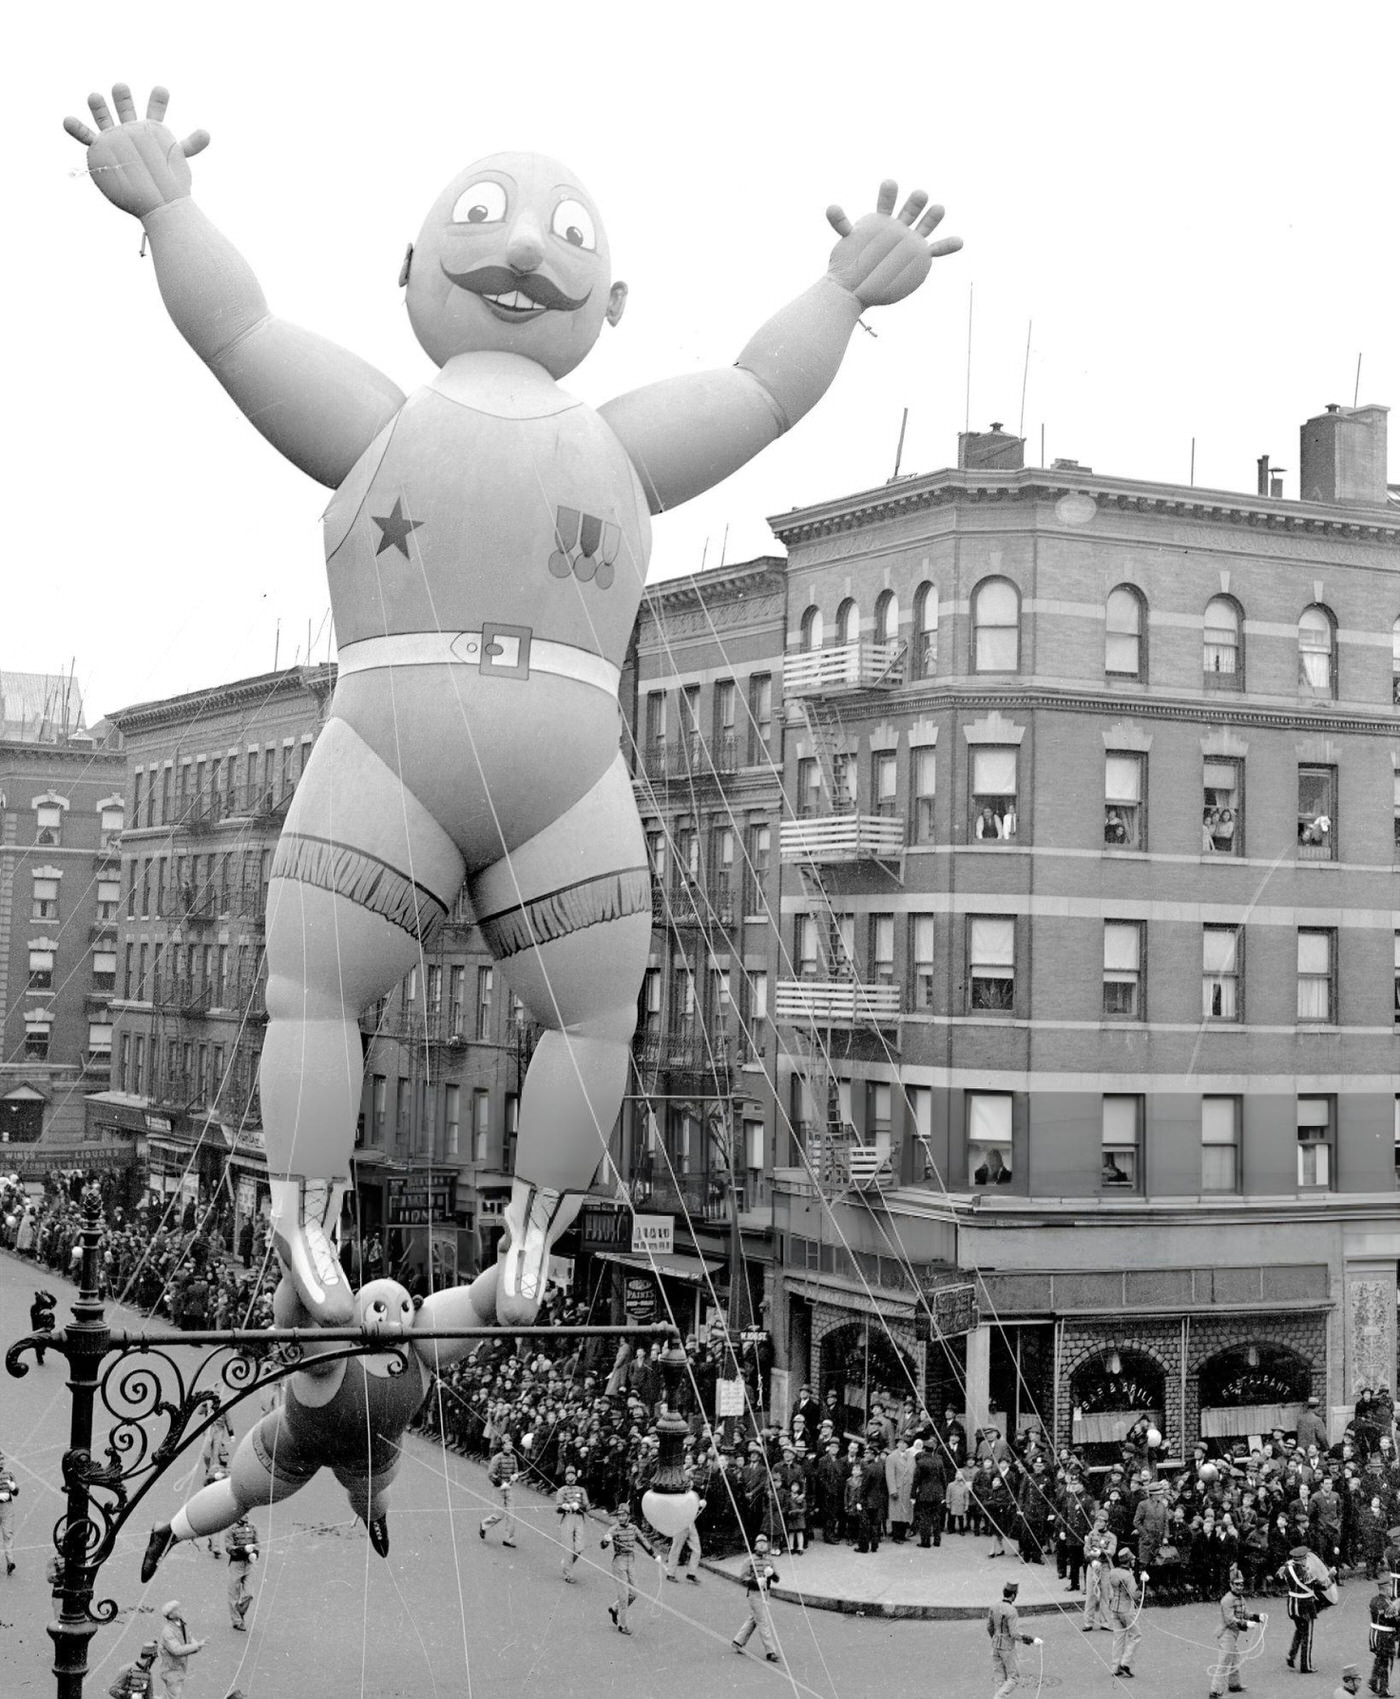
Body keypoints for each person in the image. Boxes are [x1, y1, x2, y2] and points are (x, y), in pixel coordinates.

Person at [63, 85, 961, 1334]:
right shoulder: (394, 421)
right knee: (322, 989)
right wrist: (168, 209)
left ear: (616, 304)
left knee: (584, 1010)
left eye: (563, 235)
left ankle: (530, 1233)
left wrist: (839, 295)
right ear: (413, 267)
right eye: (488, 222)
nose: (528, 250)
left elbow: (762, 388)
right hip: (405, 751)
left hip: (524, 768)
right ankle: (311, 1215)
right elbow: (242, 330)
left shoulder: (609, 441)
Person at [141, 1278, 503, 1576]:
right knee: (241, 1494)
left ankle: (376, 1519)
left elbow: (477, 1305)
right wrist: (298, 1268)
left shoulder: (421, 1348)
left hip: (370, 1455)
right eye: (380, 1310)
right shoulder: (336, 1341)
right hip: (295, 1443)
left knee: (371, 1495)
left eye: (402, 1311)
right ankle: (169, 1532)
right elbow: (294, 1320)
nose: (390, 1323)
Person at [600, 1501, 658, 1636]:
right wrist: (606, 1540)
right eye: (619, 1515)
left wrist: (654, 1555)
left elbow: (644, 1541)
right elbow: (602, 1545)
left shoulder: (633, 1528)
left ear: (628, 1516)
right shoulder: (614, 1529)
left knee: (634, 1593)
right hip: (619, 1561)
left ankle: (615, 1608)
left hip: (630, 1560)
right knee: (624, 1595)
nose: (620, 1518)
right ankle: (622, 1624)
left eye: (623, 1515)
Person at [1211, 1563, 1264, 1697]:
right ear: (1231, 1585)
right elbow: (1230, 1621)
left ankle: (1234, 1684)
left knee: (1235, 1658)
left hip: (1233, 1633)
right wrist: (1246, 1625)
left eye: (1241, 1584)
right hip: (1226, 1633)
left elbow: (1245, 1612)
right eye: (1237, 1584)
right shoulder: (1226, 1600)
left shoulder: (1240, 1598)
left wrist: (1257, 1617)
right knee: (1224, 1661)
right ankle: (1215, 1691)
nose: (1240, 1587)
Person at [1282, 1543, 1333, 1674]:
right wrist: (1330, 1576)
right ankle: (1306, 1665)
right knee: (1307, 1636)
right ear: (1303, 1559)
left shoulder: (1287, 1569)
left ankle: (1291, 1655)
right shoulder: (1305, 1573)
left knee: (1300, 1630)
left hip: (1292, 1605)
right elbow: (1323, 1586)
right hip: (1305, 1605)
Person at [732, 1532, 782, 1663]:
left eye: (764, 1543)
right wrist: (755, 1581)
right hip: (754, 1593)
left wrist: (771, 1574)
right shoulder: (749, 1560)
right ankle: (770, 1651)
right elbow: (742, 1578)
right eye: (759, 1543)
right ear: (755, 1545)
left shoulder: (770, 1560)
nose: (762, 1546)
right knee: (763, 1621)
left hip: (766, 1593)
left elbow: (777, 1579)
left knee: (754, 1618)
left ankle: (738, 1641)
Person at [987, 1581, 1042, 1699]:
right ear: (1013, 1595)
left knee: (999, 1678)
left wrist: (995, 1638)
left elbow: (989, 1627)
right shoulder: (1011, 1610)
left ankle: (999, 1697)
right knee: (1013, 1677)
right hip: (1007, 1647)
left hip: (995, 1645)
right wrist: (1032, 1640)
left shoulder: (994, 1606)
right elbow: (1014, 1634)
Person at [157, 1601, 206, 1699]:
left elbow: (188, 1638)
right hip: (171, 1670)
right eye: (176, 1609)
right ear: (170, 1615)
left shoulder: (181, 1625)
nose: (180, 1610)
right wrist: (196, 1646)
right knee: (175, 1695)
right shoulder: (168, 1632)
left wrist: (197, 1645)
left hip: (178, 1669)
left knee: (169, 1695)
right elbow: (177, 1650)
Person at [481, 1435, 521, 1547]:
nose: (509, 1447)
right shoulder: (497, 1458)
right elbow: (490, 1474)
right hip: (498, 1488)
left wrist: (515, 1476)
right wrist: (500, 1482)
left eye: (511, 1445)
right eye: (507, 1444)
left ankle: (508, 1539)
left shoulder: (513, 1458)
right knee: (499, 1514)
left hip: (509, 1488)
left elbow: (516, 1471)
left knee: (512, 1515)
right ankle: (484, 1525)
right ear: (502, 1446)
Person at [1106, 1551, 1141, 1679]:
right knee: (1136, 1635)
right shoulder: (1128, 1575)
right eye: (1131, 1559)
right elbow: (1134, 1595)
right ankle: (1125, 1663)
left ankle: (1115, 1667)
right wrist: (1142, 1585)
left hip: (1114, 1608)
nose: (1133, 1561)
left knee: (1118, 1638)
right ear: (1127, 1561)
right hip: (1126, 1609)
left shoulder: (1113, 1572)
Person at [554, 1464, 591, 1582]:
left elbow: (588, 1507)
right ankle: (568, 1574)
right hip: (567, 1518)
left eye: (572, 1475)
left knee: (579, 1548)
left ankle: (567, 1563)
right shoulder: (561, 1490)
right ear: (565, 1477)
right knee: (569, 1548)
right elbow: (558, 1508)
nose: (570, 1477)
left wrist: (579, 1506)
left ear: (576, 1476)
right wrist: (564, 1507)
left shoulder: (581, 1490)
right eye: (568, 1475)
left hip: (579, 1519)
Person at [223, 1515, 258, 1631]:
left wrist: (255, 1553)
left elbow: (257, 1543)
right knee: (234, 1593)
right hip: (236, 1563)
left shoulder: (253, 1527)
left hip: (249, 1563)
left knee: (249, 1593)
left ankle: (239, 1610)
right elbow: (228, 1548)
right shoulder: (231, 1529)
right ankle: (237, 1621)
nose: (247, 1516)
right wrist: (243, 1549)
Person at [1369, 1581, 1399, 1697]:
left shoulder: (1374, 1600)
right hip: (1386, 1636)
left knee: (1379, 1659)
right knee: (1387, 1662)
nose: (1391, 1588)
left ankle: (1374, 1682)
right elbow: (1394, 1621)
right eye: (1390, 1586)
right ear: (1385, 1589)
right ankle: (1384, 1689)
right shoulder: (1387, 1604)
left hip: (1374, 1635)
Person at [0, 1451, 19, 1575]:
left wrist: (13, 1487)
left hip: (7, 1506)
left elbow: (16, 1492)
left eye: (2, 1459)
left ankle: (10, 1562)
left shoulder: (9, 1474)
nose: (1, 1462)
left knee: (8, 1534)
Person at [29, 1289, 57, 1365]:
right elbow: (53, 1302)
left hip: (44, 1327)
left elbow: (54, 1302)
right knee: (38, 1343)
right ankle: (39, 1358)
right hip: (38, 1328)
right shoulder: (35, 1308)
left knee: (44, 1342)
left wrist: (48, 1294)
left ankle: (41, 1351)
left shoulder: (43, 1306)